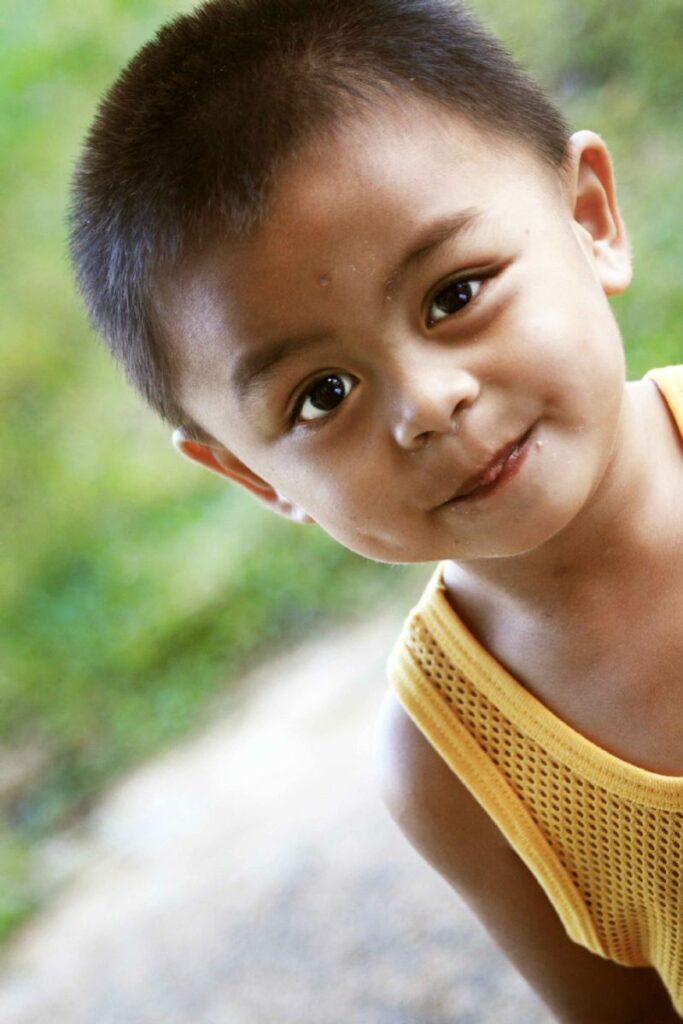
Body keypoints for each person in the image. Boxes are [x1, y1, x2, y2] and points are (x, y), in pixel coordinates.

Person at [69, 1, 683, 1020]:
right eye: (322, 396)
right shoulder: (454, 765)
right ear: (254, 476)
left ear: (588, 220)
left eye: (455, 294)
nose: (427, 404)